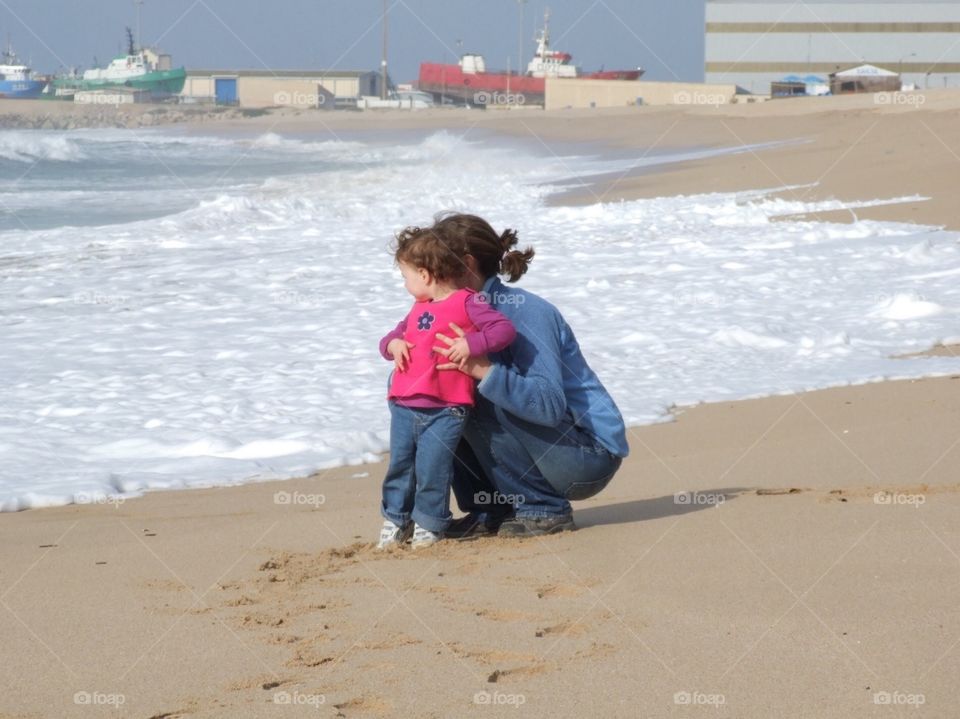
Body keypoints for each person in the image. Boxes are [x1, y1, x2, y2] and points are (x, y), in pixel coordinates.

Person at [428, 213, 628, 538]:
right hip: (552, 448)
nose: (427, 279)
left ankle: (544, 508)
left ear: (466, 264)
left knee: (480, 393)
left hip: (589, 456)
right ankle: (492, 509)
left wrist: (482, 369)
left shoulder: (524, 311)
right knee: (441, 398)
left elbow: (547, 405)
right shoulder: (461, 312)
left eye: (434, 268)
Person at [377, 225, 516, 549]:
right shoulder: (417, 308)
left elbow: (502, 330)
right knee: (400, 464)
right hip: (404, 402)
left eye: (406, 276)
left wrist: (472, 343)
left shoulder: (467, 302)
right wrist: (394, 344)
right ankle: (396, 519)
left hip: (447, 408)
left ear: (425, 274)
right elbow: (387, 341)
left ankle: (429, 522)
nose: (405, 283)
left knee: (433, 467)